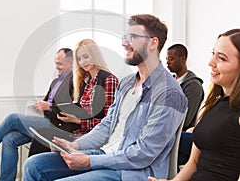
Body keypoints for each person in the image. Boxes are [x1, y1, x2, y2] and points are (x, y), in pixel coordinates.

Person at [23, 14, 188, 181]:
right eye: (125, 37)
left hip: (133, 171)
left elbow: (143, 154)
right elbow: (107, 125)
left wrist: (89, 161)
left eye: (133, 37)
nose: (124, 43)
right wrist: (75, 145)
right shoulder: (127, 83)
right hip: (107, 153)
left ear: (153, 43)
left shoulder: (169, 94)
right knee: (34, 165)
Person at [0, 48, 75, 181]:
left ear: (71, 63)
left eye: (60, 64)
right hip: (44, 119)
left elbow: (71, 109)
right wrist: (40, 107)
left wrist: (49, 106)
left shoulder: (75, 82)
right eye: (55, 63)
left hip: (56, 126)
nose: (57, 67)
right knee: (9, 138)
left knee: (13, 118)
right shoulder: (56, 82)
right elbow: (49, 103)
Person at [148, 29, 240, 181]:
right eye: (213, 53)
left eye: (222, 58)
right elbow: (194, 162)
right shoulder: (212, 104)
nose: (211, 63)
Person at [28, 39, 119, 156]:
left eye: (86, 56)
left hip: (91, 135)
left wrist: (78, 121)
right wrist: (70, 114)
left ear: (95, 55)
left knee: (42, 139)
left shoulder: (108, 80)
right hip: (76, 130)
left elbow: (109, 122)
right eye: (79, 59)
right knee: (41, 137)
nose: (83, 62)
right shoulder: (85, 81)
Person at [166, 44, 204, 167]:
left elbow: (186, 119)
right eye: (166, 58)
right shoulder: (169, 83)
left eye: (171, 58)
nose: (167, 62)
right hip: (167, 132)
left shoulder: (193, 86)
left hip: (179, 135)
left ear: (183, 59)